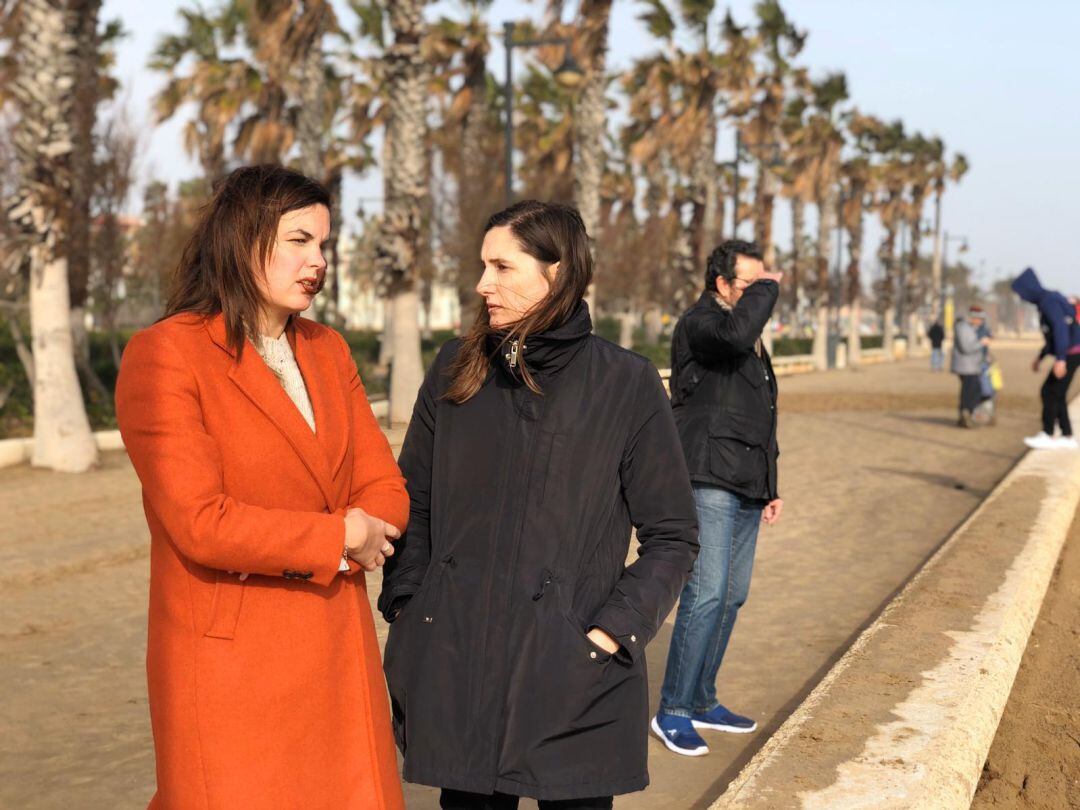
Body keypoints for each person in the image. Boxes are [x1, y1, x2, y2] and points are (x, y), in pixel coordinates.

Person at [379, 200, 699, 809]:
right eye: (483, 265)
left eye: (502, 267)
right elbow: (412, 500)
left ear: (556, 273)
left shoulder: (625, 383)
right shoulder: (455, 369)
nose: (483, 284)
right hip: (459, 663)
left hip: (574, 673)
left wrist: (610, 632)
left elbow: (673, 534)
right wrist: (412, 603)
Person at [115, 165, 409, 809]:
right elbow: (200, 522)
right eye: (299, 241)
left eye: (324, 244)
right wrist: (341, 537)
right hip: (234, 665)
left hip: (338, 647)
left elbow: (384, 484)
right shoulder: (167, 353)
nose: (318, 261)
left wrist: (364, 525)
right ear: (241, 239)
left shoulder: (328, 349)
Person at [653, 239, 784, 757]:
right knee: (706, 593)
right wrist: (769, 288)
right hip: (708, 473)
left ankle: (702, 699)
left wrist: (771, 486)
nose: (760, 293)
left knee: (732, 595)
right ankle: (673, 710)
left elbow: (761, 413)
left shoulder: (746, 336)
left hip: (747, 480)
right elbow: (736, 334)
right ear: (722, 284)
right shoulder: (702, 324)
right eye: (750, 284)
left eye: (763, 283)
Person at [1012, 267, 1080, 449]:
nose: (1021, 297)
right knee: (1057, 392)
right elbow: (1052, 336)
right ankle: (1067, 436)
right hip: (1072, 352)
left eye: (1021, 293)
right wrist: (1040, 357)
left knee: (1049, 391)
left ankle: (1048, 434)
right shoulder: (1048, 299)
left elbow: (1060, 329)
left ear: (1028, 289)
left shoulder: (1049, 301)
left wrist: (1061, 359)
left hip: (1071, 353)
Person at [952, 306, 991, 428]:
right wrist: (981, 343)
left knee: (971, 391)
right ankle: (966, 415)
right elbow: (967, 348)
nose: (981, 322)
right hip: (966, 367)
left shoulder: (969, 328)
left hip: (972, 366)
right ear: (973, 318)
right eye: (980, 319)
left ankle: (966, 416)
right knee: (970, 393)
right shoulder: (963, 328)